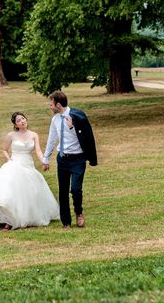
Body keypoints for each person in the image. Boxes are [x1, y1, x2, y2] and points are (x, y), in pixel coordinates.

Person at [42, 91, 97, 229]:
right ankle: (66, 221)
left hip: (78, 159)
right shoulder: (55, 120)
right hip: (62, 159)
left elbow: (86, 136)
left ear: (58, 104)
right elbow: (52, 139)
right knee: (63, 191)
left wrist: (72, 127)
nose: (50, 106)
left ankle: (79, 213)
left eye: (51, 103)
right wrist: (46, 158)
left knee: (76, 189)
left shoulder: (77, 116)